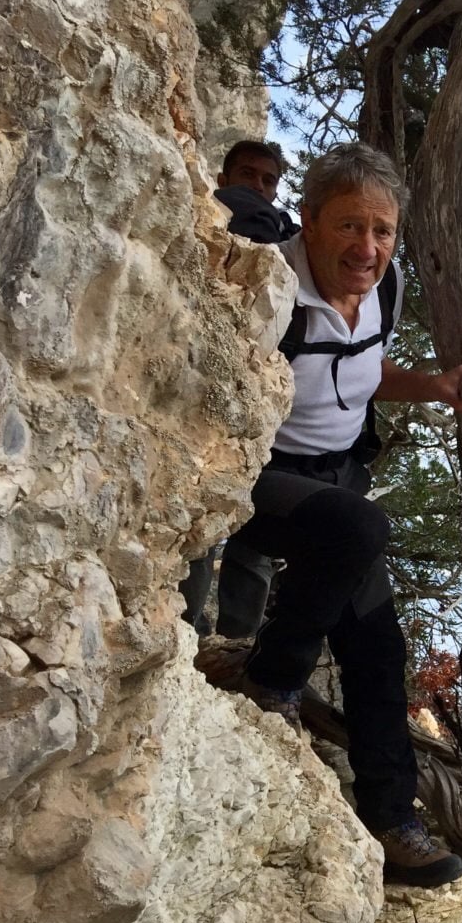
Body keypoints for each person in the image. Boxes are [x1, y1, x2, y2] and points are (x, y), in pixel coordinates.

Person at [228, 142, 462, 889]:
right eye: (348, 226)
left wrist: (434, 385)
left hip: (336, 482)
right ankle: (270, 682)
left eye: (381, 231)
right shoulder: (268, 284)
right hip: (258, 478)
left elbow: (367, 376)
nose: (366, 248)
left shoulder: (385, 288)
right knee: (358, 529)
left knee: (377, 646)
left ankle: (393, 819)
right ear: (307, 220)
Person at [180, 141, 295, 637]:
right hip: (239, 382)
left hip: (248, 387)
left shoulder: (281, 225)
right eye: (248, 173)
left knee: (212, 511)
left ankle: (198, 631)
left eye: (268, 181)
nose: (258, 186)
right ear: (225, 173)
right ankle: (226, 638)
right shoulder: (240, 208)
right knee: (225, 517)